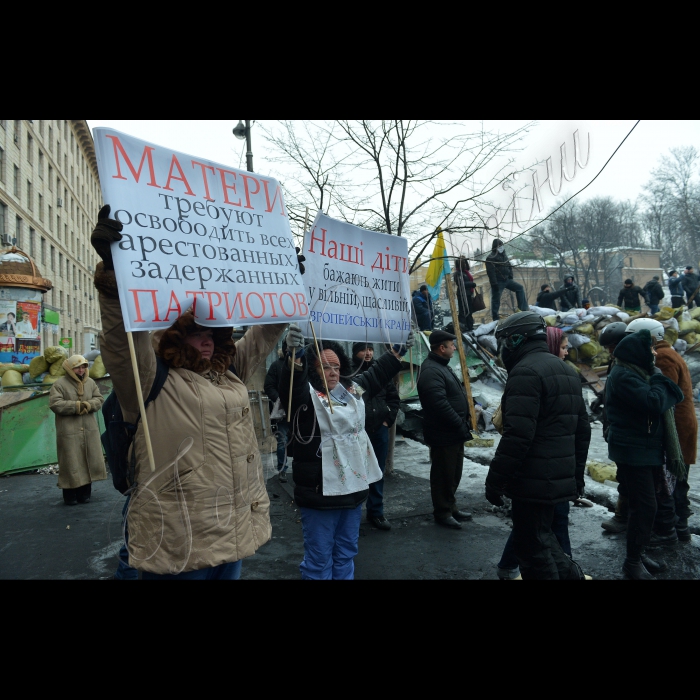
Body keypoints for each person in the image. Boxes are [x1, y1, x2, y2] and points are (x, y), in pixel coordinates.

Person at [91, 205, 288, 580]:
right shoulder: (150, 379)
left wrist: (284, 287)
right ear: (177, 337)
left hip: (230, 529)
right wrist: (114, 279)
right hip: (179, 538)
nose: (210, 342)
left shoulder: (228, 373)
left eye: (214, 335)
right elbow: (121, 344)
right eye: (199, 334)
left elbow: (264, 335)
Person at [279, 327, 412, 579]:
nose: (333, 372)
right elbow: (291, 384)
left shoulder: (351, 392)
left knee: (346, 553)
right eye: (325, 366)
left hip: (353, 492)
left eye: (337, 367)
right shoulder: (304, 397)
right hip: (319, 495)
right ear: (313, 368)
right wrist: (293, 355)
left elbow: (375, 375)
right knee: (319, 560)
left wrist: (396, 353)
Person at [485, 312, 592, 580]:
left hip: (532, 481)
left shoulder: (525, 372)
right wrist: (576, 476)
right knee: (543, 539)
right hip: (555, 478)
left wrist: (495, 480)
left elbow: (518, 436)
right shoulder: (566, 371)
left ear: (516, 340)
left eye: (505, 341)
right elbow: (583, 431)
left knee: (533, 551)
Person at [605, 328, 684, 579]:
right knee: (645, 506)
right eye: (650, 349)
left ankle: (637, 554)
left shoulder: (636, 373)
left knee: (644, 506)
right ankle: (631, 562)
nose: (653, 353)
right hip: (633, 450)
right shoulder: (624, 375)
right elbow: (654, 402)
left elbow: (668, 398)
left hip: (645, 448)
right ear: (637, 352)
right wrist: (660, 379)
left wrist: (656, 379)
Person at [632, 319, 697, 546]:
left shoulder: (663, 356)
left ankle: (677, 528)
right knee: (677, 480)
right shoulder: (665, 352)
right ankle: (680, 528)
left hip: (676, 428)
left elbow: (663, 395)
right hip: (680, 425)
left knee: (675, 481)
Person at [416, 329, 473, 529]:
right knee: (443, 474)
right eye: (451, 345)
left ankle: (451, 506)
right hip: (444, 432)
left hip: (453, 432)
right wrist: (458, 423)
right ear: (442, 348)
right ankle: (442, 511)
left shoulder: (440, 366)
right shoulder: (431, 370)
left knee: (453, 473)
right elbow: (438, 403)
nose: (454, 348)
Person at [352, 342, 401, 531]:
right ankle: (353, 513)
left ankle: (376, 512)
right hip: (358, 432)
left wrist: (387, 420)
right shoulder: (349, 373)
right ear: (356, 353)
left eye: (371, 349)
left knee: (377, 471)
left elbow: (393, 399)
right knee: (356, 471)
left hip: (379, 429)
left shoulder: (382, 373)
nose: (368, 353)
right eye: (364, 349)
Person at [49, 354, 106, 505]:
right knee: (71, 462)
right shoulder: (59, 384)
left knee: (88, 459)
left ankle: (85, 494)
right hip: (69, 430)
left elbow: (99, 399)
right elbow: (55, 403)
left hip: (88, 428)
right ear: (70, 368)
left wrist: (88, 405)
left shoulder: (91, 383)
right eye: (77, 368)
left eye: (83, 367)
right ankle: (70, 495)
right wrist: (75, 406)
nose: (81, 370)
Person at [596, 322, 632, 534]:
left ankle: (623, 517)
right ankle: (622, 515)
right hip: (614, 428)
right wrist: (601, 397)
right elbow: (612, 385)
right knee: (623, 474)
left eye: (613, 346)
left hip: (626, 431)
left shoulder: (631, 364)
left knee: (628, 478)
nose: (610, 351)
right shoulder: (617, 362)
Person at [264, 339, 291, 483]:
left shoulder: (303, 366)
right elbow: (268, 386)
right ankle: (282, 469)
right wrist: (279, 400)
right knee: (282, 440)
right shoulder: (276, 366)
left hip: (300, 410)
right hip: (282, 412)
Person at [485, 239, 527, 321]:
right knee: (496, 299)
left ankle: (522, 310)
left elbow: (509, 266)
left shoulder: (504, 256)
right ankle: (495, 317)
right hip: (498, 281)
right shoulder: (491, 257)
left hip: (507, 279)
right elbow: (491, 272)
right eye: (499, 246)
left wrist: (510, 276)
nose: (501, 247)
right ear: (495, 247)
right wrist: (494, 284)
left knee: (520, 288)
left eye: (502, 245)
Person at [453, 257, 477, 332]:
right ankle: (463, 327)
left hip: (468, 294)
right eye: (464, 263)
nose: (466, 264)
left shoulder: (465, 272)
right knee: (463, 311)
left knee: (469, 310)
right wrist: (471, 284)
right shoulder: (458, 273)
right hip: (462, 294)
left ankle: (470, 326)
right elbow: (461, 284)